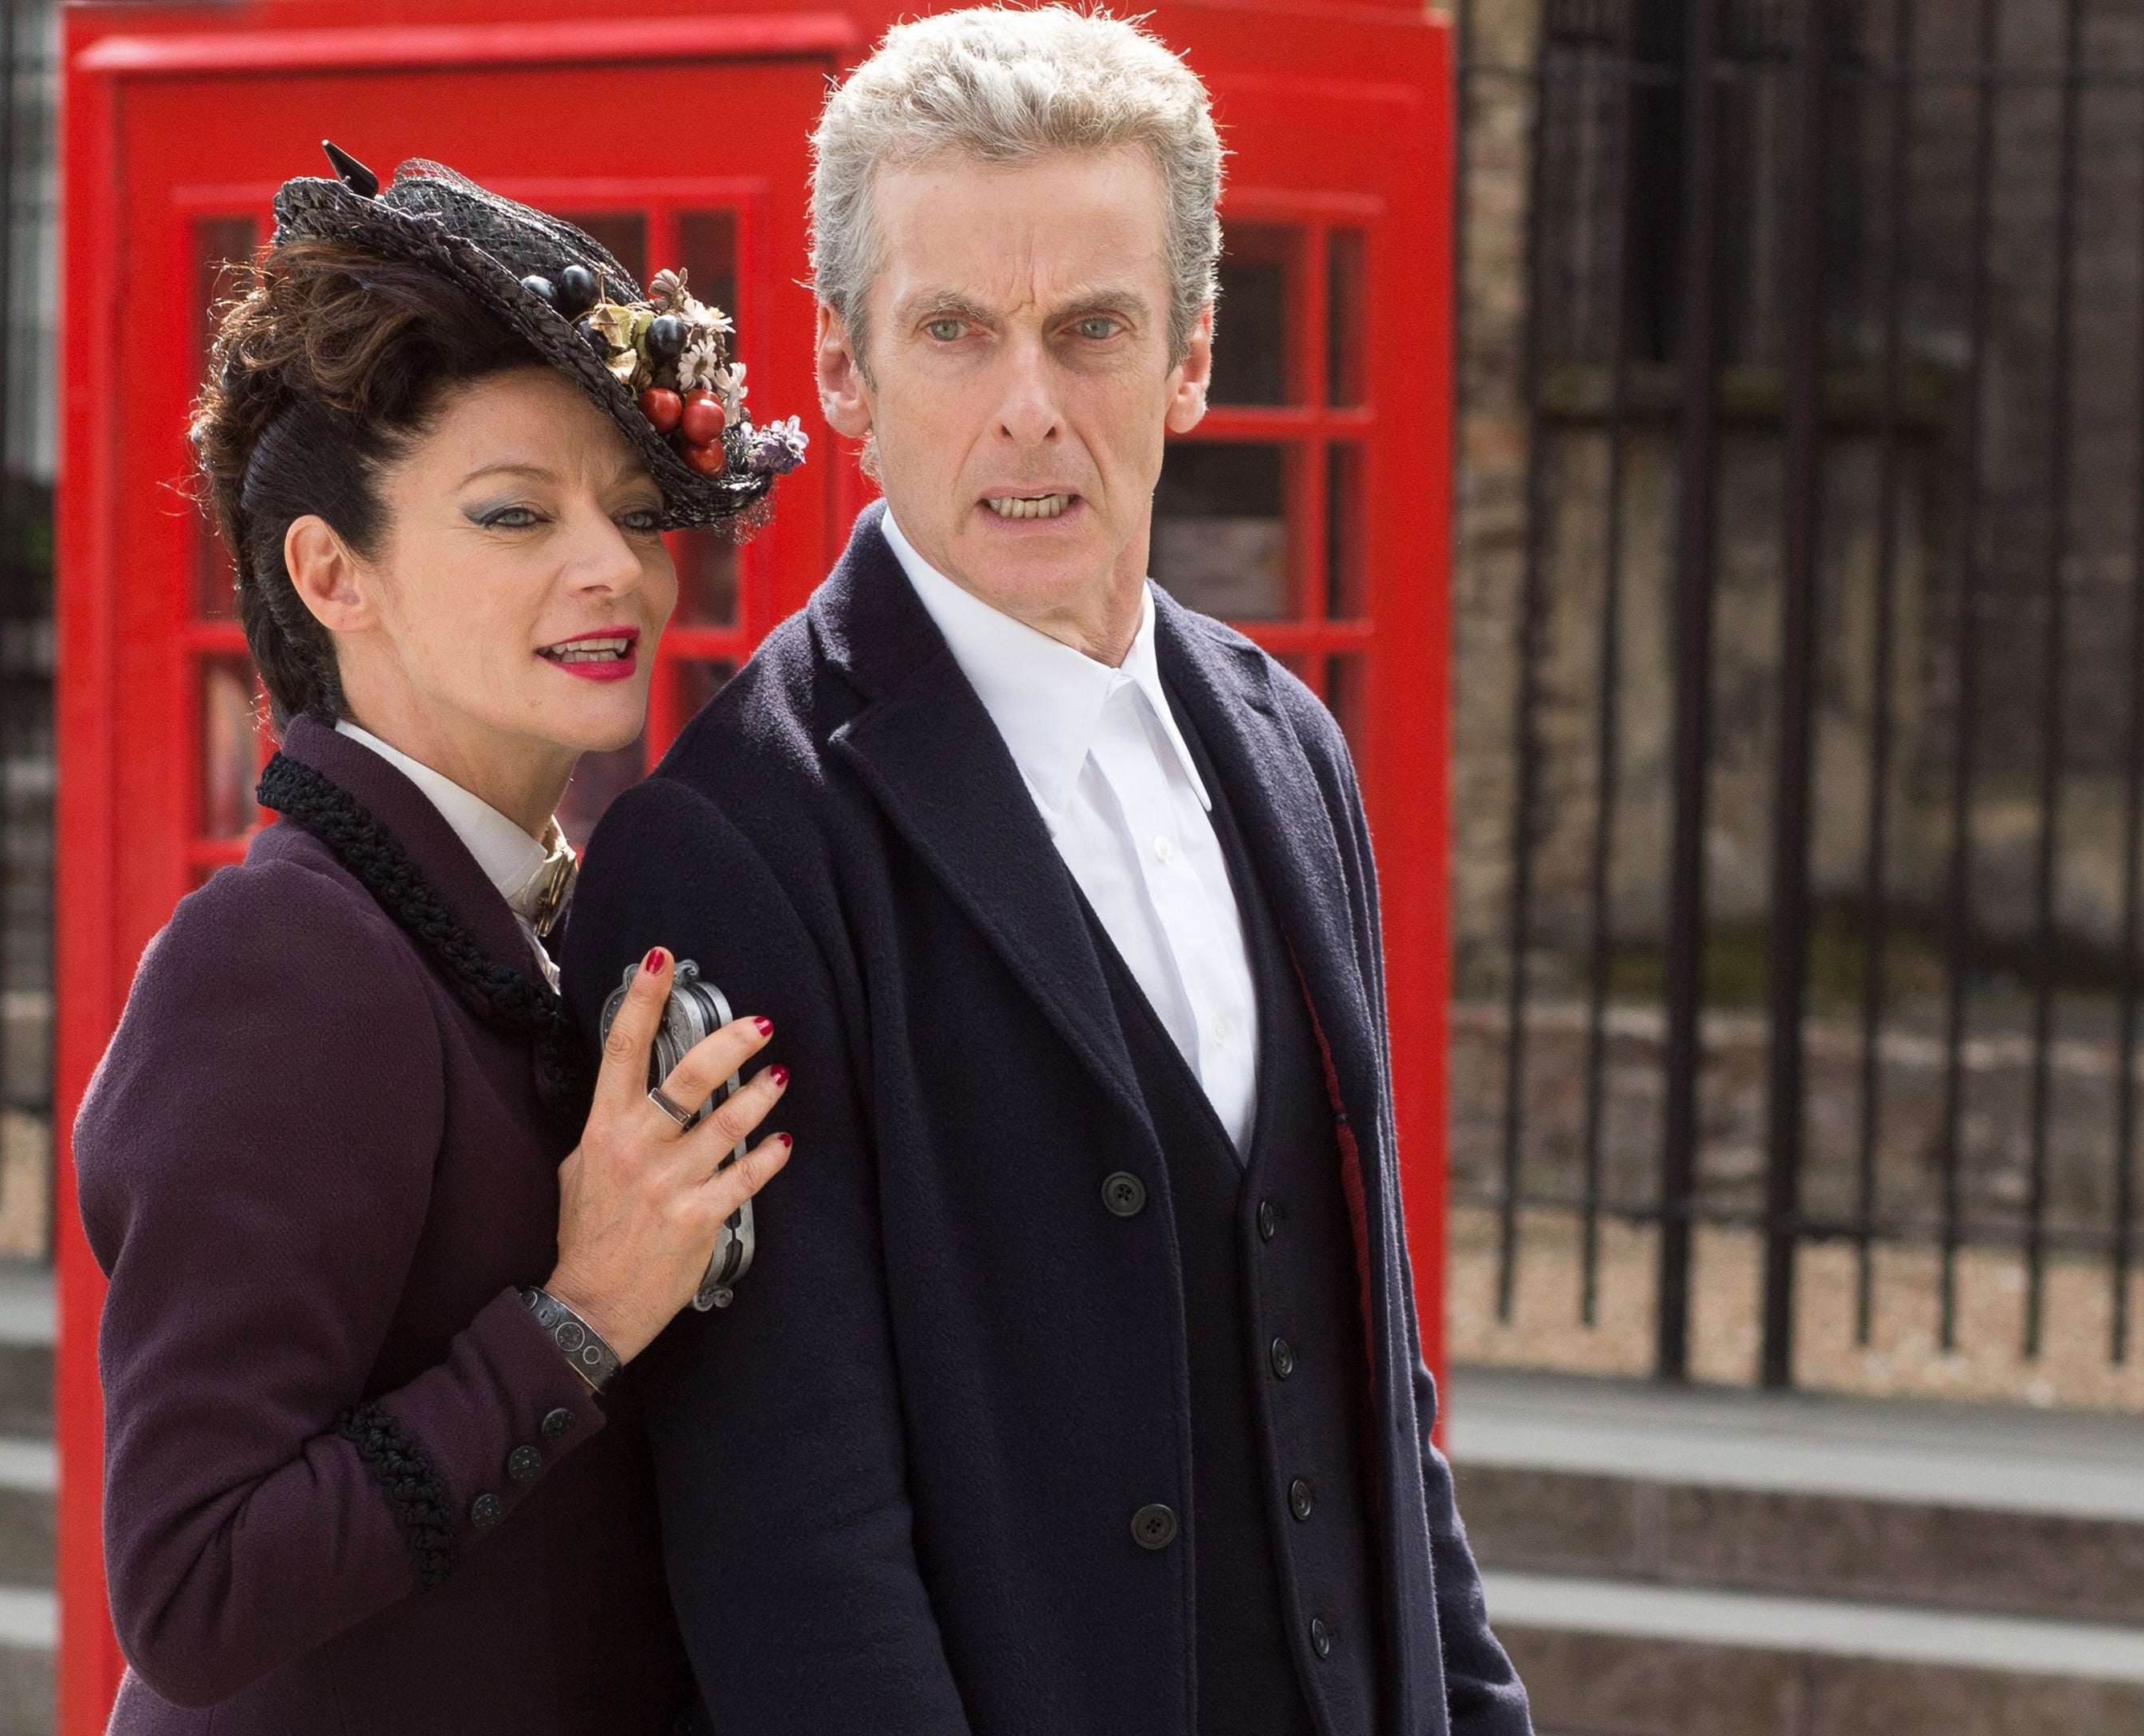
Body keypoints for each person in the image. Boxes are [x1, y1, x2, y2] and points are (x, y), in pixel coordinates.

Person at [558, 10, 1533, 1734]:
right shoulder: (730, 847)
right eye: (955, 332)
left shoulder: (1290, 746)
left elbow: (1372, 1388)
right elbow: (794, 1545)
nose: (1030, 410)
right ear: (845, 373)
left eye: (1092, 329)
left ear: (1189, 358)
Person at [74, 149, 808, 1734]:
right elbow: (191, 1591)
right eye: (514, 513)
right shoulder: (287, 959)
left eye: (635, 512)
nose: (612, 567)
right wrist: (578, 1320)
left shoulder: (536, 922)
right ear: (333, 573)